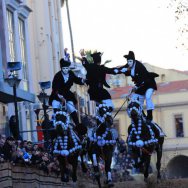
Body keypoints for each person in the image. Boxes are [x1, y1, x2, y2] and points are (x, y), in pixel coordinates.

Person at [49, 58, 87, 136]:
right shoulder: (57, 76)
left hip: (67, 94)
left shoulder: (71, 73)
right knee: (55, 104)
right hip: (57, 94)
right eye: (64, 68)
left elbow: (77, 80)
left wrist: (83, 80)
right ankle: (55, 123)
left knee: (71, 108)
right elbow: (55, 87)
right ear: (61, 68)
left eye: (67, 68)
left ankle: (77, 125)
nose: (66, 70)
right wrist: (60, 97)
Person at [120, 51, 159, 122]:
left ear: (134, 60)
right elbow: (121, 69)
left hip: (148, 84)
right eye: (128, 61)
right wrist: (116, 70)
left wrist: (135, 87)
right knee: (134, 99)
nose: (129, 63)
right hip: (140, 87)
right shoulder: (129, 64)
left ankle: (149, 116)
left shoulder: (139, 66)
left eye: (130, 61)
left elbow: (143, 79)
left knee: (147, 97)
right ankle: (142, 115)